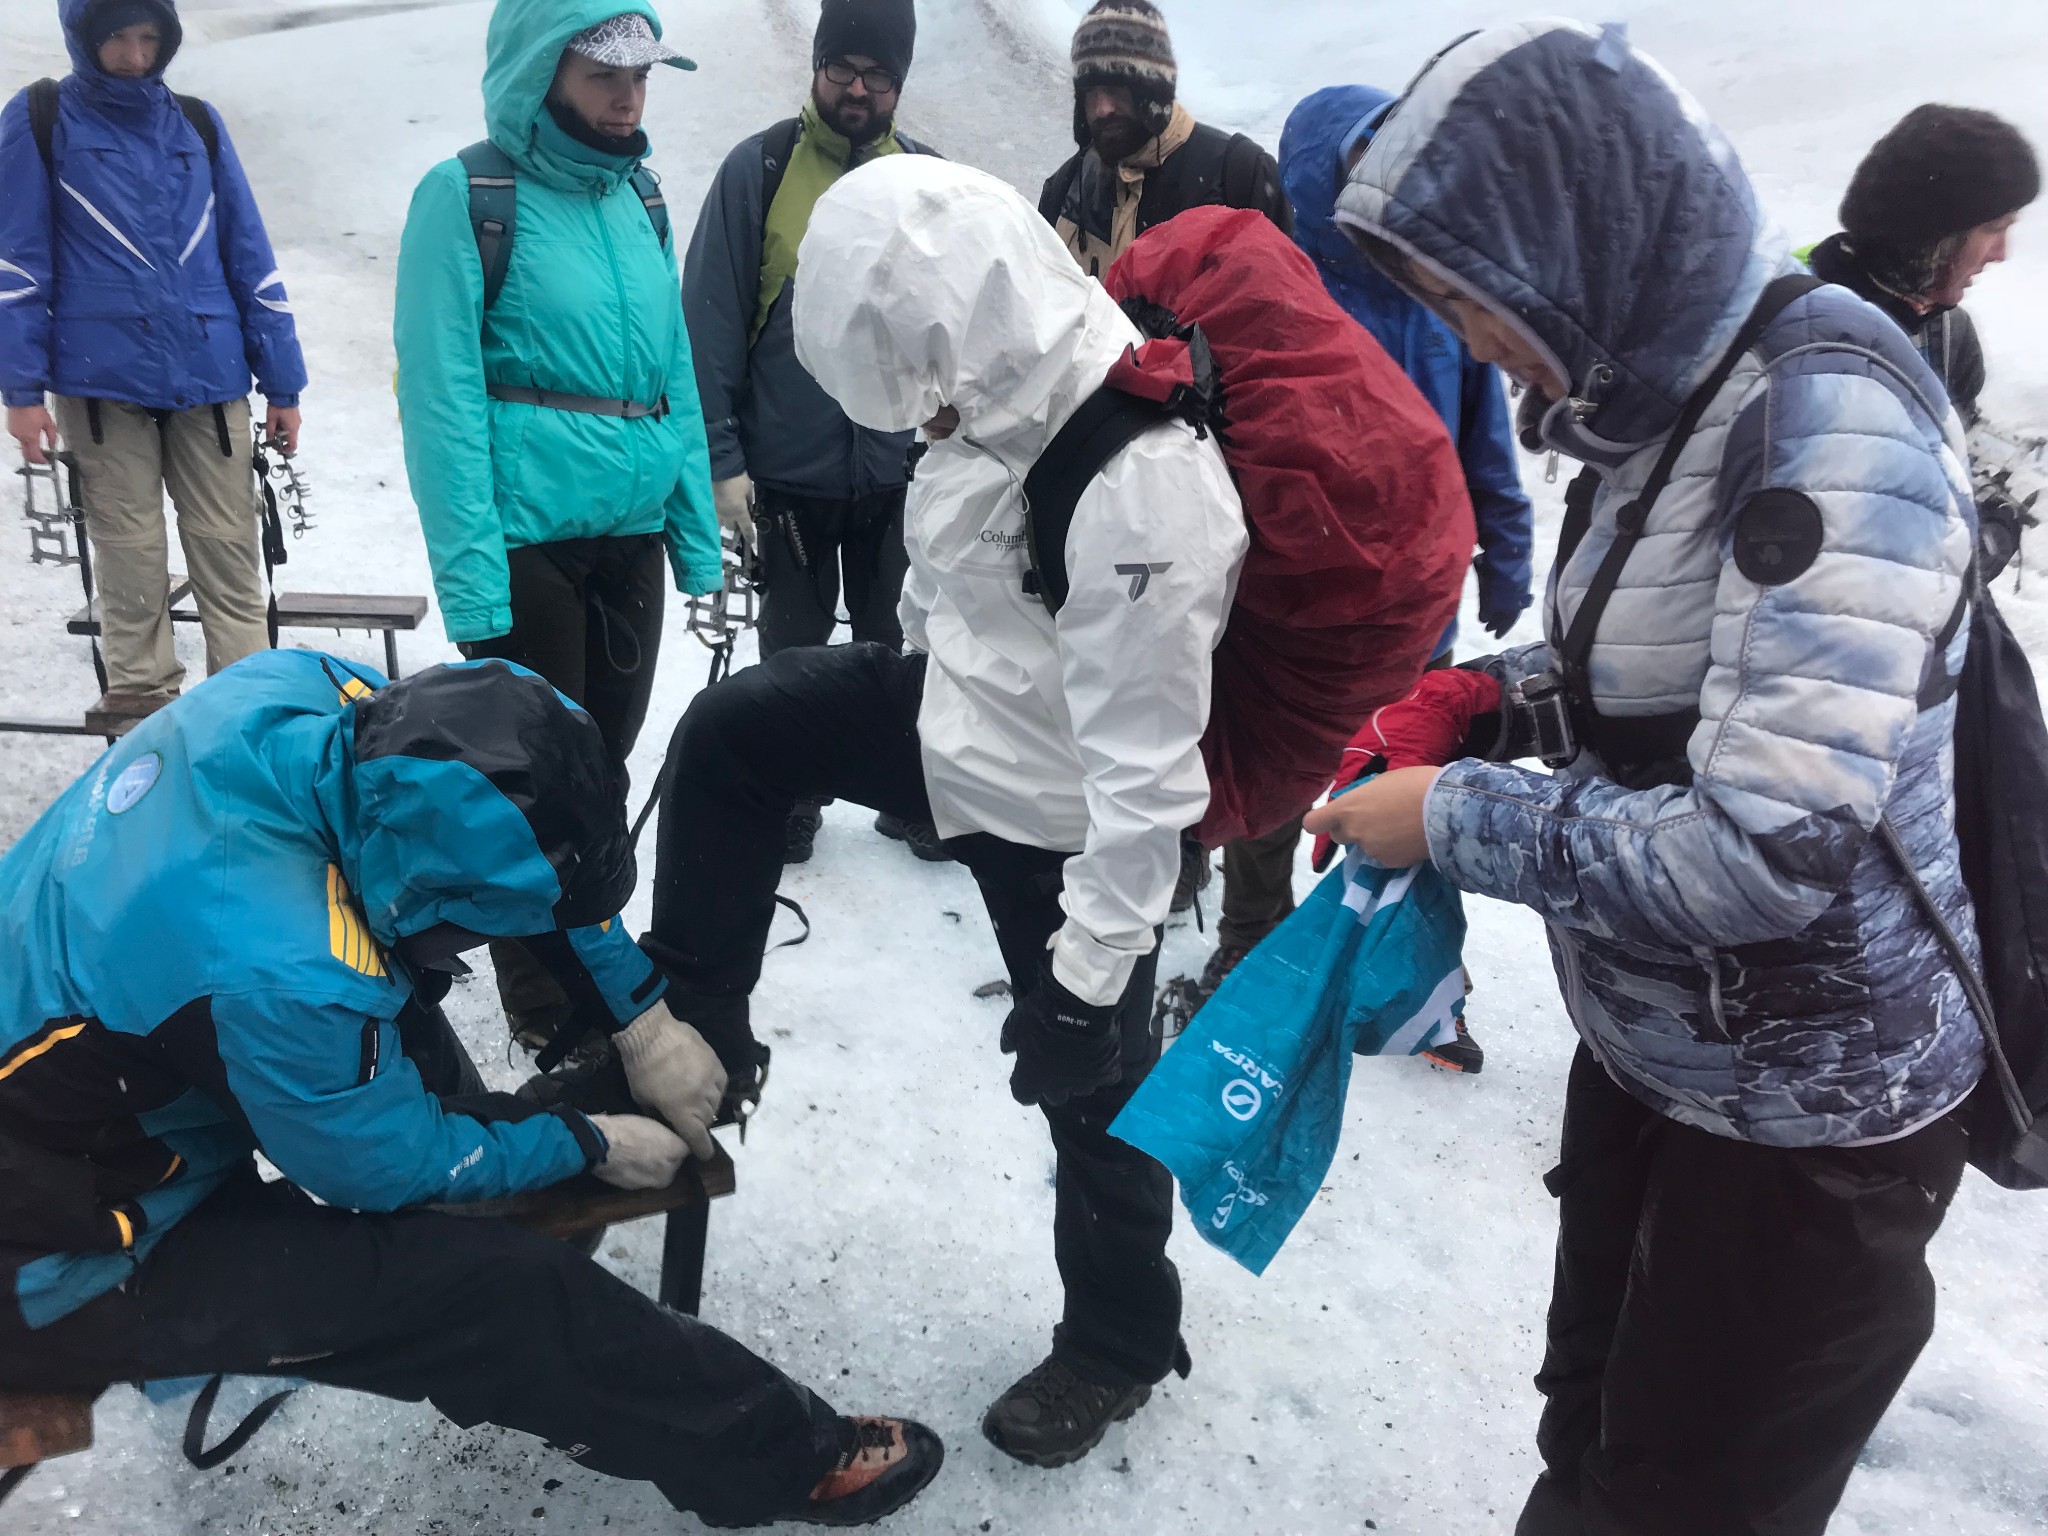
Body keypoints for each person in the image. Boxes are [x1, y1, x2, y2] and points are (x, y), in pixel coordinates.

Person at [1311, 22, 1982, 1535]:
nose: (1475, 344)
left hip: (1808, 1125)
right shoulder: (1672, 404)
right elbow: (1665, 673)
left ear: (1580, 243)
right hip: (1674, 1063)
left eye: (1472, 302)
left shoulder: (1823, 426)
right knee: (1599, 1437)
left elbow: (1767, 849)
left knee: (1687, 1503)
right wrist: (1482, 698)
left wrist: (1458, 812)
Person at [0, 653, 943, 1528]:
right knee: (493, 1295)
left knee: (434, 1106)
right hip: (62, 1247)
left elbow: (529, 856)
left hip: (117, 1074)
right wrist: (590, 1144)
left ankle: (500, 1216)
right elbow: (386, 1166)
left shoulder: (314, 697)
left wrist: (642, 1018)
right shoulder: (283, 972)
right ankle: (781, 1458)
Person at [642, 155, 1247, 1468]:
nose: (918, 404)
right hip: (958, 721)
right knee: (739, 734)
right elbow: (961, 555)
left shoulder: (1143, 474)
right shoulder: (993, 379)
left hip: (1067, 813)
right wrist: (906, 651)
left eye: (915, 371)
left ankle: (1119, 1342)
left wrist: (1090, 984)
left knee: (1093, 1094)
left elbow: (1149, 777)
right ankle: (693, 1034)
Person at [1160, 82, 1542, 1070]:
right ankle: (1249, 936)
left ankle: (1409, 984)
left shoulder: (1434, 294)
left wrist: (1502, 551)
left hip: (1414, 600)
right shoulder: (1276, 290)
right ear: (1311, 171)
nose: (1382, 179)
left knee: (1407, 787)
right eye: (1359, 158)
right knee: (1271, 772)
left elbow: (1481, 437)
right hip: (1286, 595)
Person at [394, 0, 720, 1056]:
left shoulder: (641, 198)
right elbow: (440, 397)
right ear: (543, 71)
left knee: (606, 770)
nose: (628, 97)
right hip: (528, 540)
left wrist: (695, 537)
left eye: (640, 76)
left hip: (624, 539)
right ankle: (551, 1015)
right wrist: (476, 589)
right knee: (537, 791)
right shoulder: (467, 195)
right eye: (601, 75)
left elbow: (669, 373)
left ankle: (590, 964)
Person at [683, 0, 945, 867]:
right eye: (843, 69)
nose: (858, 89)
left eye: (878, 76)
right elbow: (710, 325)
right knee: (792, 650)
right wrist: (724, 462)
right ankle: (791, 792)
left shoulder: (928, 178)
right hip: (785, 474)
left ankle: (903, 791)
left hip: (895, 469)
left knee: (897, 645)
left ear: (900, 84)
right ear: (816, 67)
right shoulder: (758, 170)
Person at [0, 0, 306, 733]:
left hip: (212, 374)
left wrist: (283, 381)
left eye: (148, 38)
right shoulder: (41, 117)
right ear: (85, 38)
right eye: (118, 39)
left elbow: (248, 251)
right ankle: (143, 711)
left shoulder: (196, 123)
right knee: (129, 552)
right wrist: (21, 390)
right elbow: (17, 262)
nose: (136, 57)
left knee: (229, 549)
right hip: (101, 380)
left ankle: (248, 710)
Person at [1805, 104, 2038, 575]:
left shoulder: (1950, 336)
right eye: (1993, 229)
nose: (2002, 254)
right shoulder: (1794, 335)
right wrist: (1965, 551)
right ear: (1931, 234)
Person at [1038, 0, 1290, 280]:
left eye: (1115, 87)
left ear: (1152, 88)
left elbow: (1287, 312)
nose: (1102, 108)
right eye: (1090, 91)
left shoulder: (1239, 176)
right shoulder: (1064, 191)